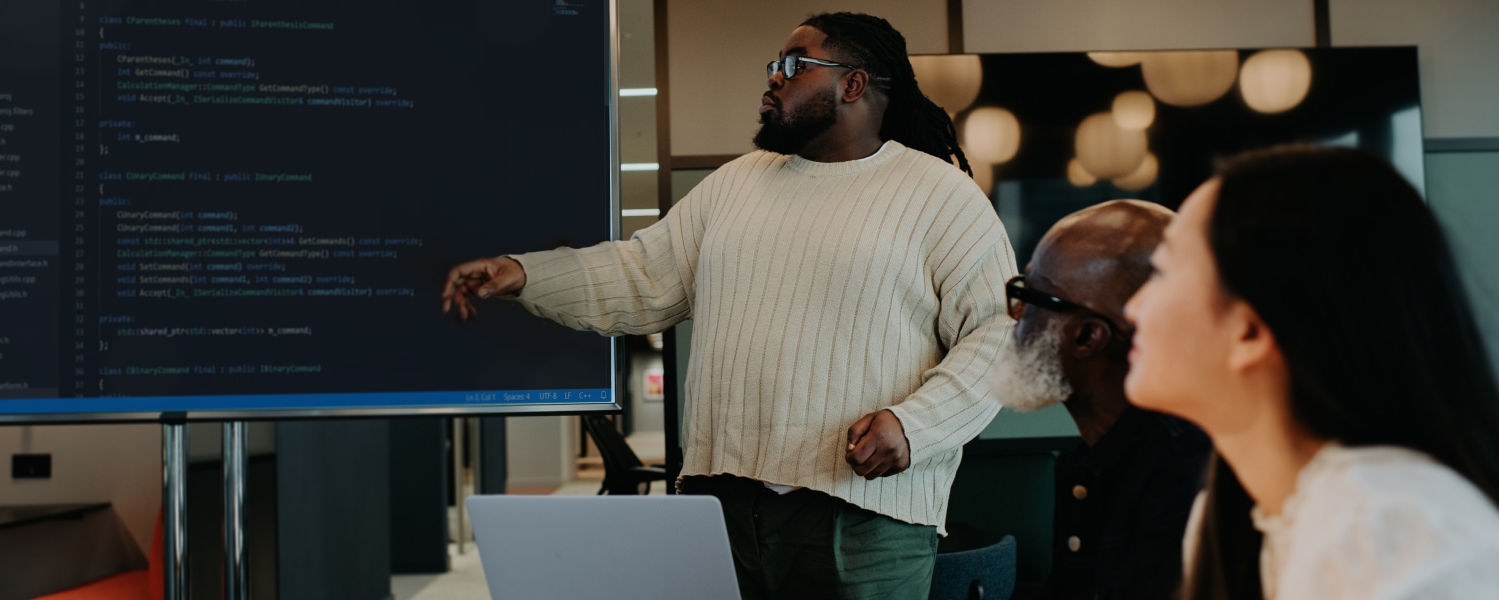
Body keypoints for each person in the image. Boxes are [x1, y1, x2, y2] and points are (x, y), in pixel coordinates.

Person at [442, 12, 1016, 599]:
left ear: (853, 84)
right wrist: (525, 274)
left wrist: (915, 425)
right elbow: (643, 277)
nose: (773, 79)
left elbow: (999, 336)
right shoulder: (734, 183)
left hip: (865, 519)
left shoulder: (941, 197)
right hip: (722, 507)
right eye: (773, 66)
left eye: (794, 66)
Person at [1121, 145, 1499, 600]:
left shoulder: (1386, 527)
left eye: (1159, 273)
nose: (1132, 308)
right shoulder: (1232, 519)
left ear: (1251, 330)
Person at [991, 200, 1211, 599]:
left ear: (1088, 337)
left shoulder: (1186, 473)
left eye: (1032, 298)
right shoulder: (1090, 458)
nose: (1016, 315)